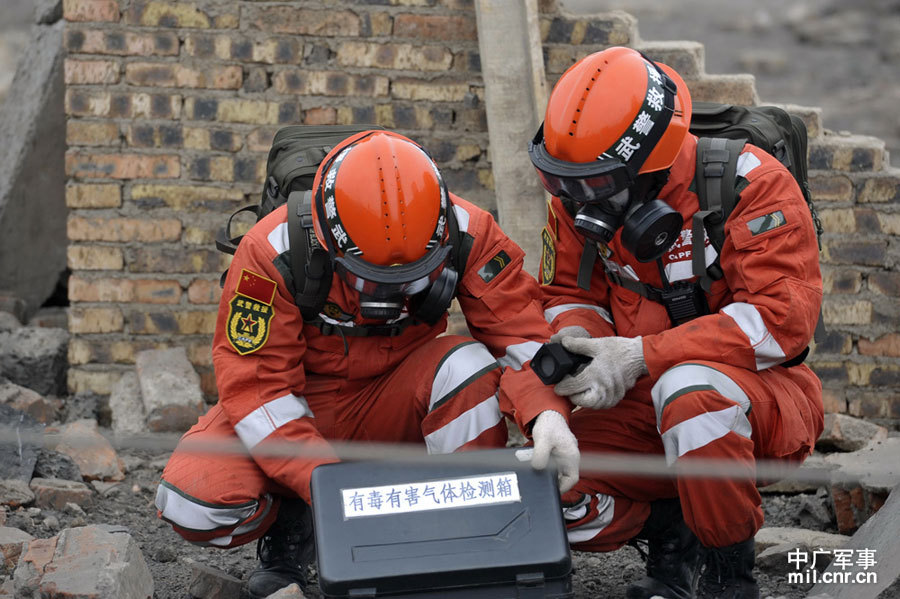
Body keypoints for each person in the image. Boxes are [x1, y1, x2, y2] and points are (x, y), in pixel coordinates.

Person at [155, 130, 580, 599]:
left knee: (468, 366)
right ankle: (297, 526)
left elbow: (521, 337)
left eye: (410, 279)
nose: (388, 294)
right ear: (327, 242)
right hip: (299, 404)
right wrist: (322, 485)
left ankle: (463, 544)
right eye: (371, 280)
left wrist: (548, 417)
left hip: (395, 398)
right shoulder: (270, 251)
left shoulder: (465, 229)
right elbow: (259, 392)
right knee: (191, 503)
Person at [528, 46, 823, 599]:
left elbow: (781, 323)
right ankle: (673, 531)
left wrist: (641, 355)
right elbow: (568, 290)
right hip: (640, 396)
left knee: (689, 395)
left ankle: (726, 577)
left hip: (759, 398)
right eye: (562, 182)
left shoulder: (748, 186)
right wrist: (582, 343)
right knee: (544, 461)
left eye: (594, 184)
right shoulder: (578, 196)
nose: (574, 200)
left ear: (649, 168)